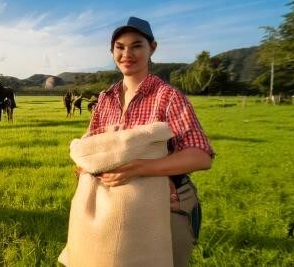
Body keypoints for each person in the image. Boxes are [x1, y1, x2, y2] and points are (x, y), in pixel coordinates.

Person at [82, 16, 215, 266]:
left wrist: (139, 167)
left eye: (136, 46)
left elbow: (201, 155)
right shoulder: (105, 99)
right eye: (120, 47)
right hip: (112, 208)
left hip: (165, 207)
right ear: (112, 51)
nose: (127, 54)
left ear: (152, 48)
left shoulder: (168, 97)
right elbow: (91, 148)